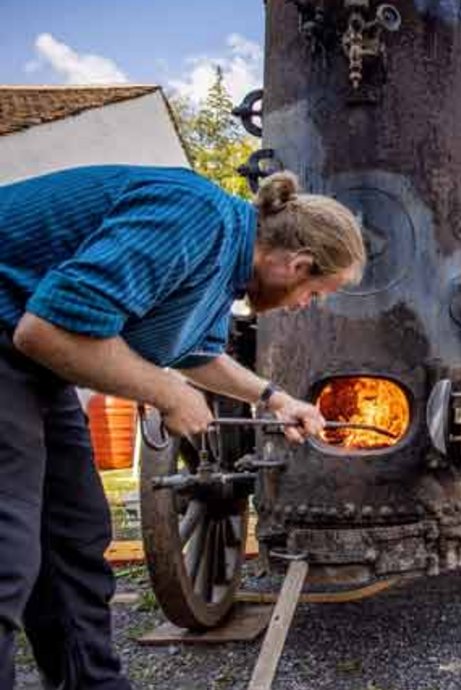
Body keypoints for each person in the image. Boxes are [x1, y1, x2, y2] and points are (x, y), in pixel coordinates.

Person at [0, 165, 366, 690]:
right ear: (297, 264)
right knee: (7, 550)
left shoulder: (224, 269)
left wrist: (275, 398)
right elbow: (47, 329)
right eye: (317, 293)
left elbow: (197, 354)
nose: (307, 305)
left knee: (74, 537)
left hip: (34, 362)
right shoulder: (193, 217)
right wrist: (168, 392)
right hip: (18, 337)